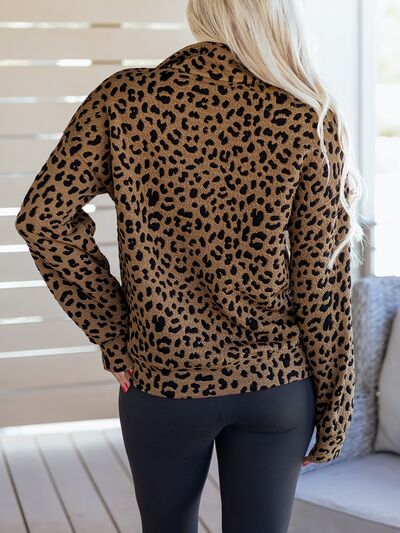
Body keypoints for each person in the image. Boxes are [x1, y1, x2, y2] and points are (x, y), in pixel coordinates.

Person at [15, 0, 364, 531]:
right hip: (273, 385)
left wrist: (116, 335)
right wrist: (335, 414)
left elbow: (44, 218)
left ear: (200, 12)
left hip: (163, 383)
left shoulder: (124, 99)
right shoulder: (308, 115)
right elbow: (323, 281)